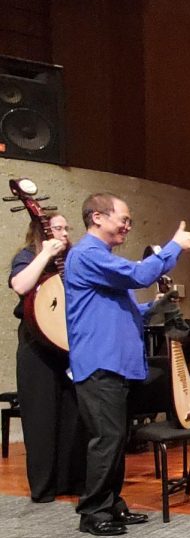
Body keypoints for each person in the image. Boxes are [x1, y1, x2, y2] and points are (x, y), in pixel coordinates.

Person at [64, 194, 190, 536]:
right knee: (107, 438)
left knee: (117, 438)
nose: (126, 225)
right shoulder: (87, 254)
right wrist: (174, 246)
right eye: (123, 219)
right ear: (97, 218)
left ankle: (112, 504)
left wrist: (153, 306)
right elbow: (139, 274)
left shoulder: (101, 259)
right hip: (99, 363)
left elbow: (122, 311)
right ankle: (93, 511)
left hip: (116, 364)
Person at [9, 214, 86, 503]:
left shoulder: (72, 261)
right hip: (36, 347)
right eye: (57, 228)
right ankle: (44, 487)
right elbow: (20, 285)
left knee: (73, 414)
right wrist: (45, 255)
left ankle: (72, 481)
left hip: (67, 346)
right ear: (41, 230)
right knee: (41, 417)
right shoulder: (29, 255)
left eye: (67, 228)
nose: (64, 233)